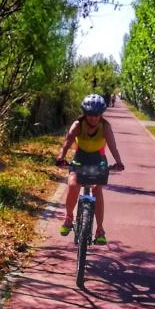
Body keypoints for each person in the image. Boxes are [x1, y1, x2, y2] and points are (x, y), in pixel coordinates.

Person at [55, 93, 125, 244]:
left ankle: (100, 229)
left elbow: (112, 146)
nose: (93, 118)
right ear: (85, 114)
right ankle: (68, 217)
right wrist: (61, 157)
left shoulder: (105, 127)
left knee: (97, 190)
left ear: (101, 114)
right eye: (90, 115)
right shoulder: (78, 125)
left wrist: (118, 162)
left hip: (98, 160)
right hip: (80, 159)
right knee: (73, 185)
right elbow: (67, 143)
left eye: (97, 115)